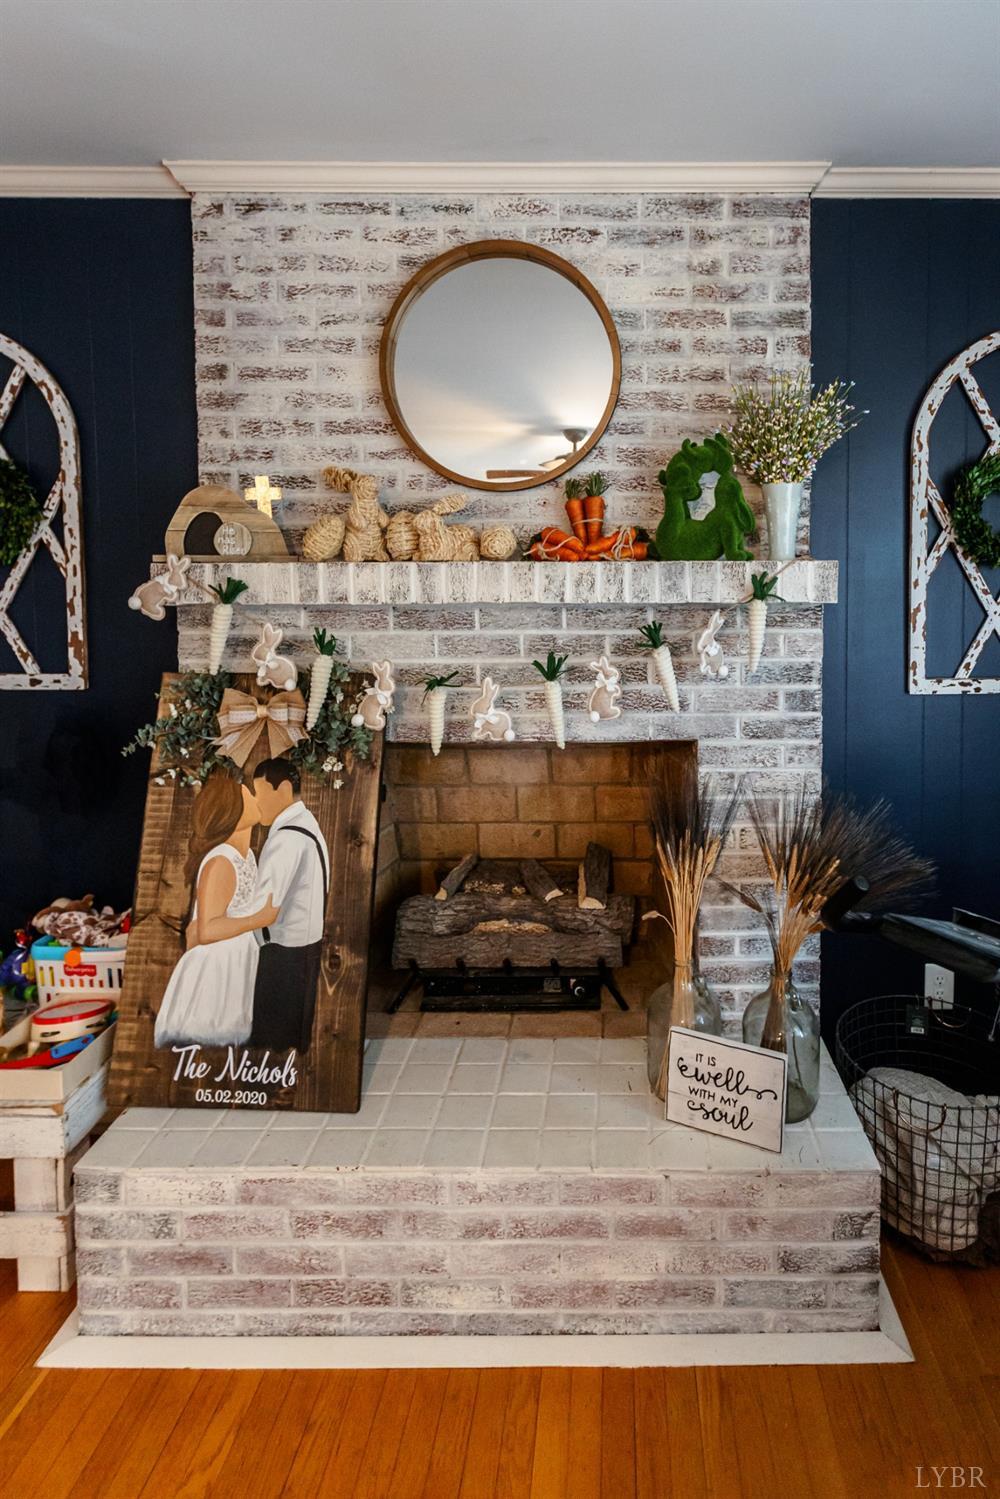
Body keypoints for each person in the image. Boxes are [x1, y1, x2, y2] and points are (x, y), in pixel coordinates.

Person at [154, 773, 278, 1048]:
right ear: (231, 810)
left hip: (237, 960)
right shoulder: (222, 860)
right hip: (217, 969)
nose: (255, 797)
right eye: (247, 794)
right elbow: (207, 929)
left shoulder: (245, 857)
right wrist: (261, 918)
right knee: (211, 1037)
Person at [248, 757, 330, 1053]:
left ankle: (272, 1089)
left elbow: (265, 910)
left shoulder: (286, 840)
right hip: (305, 947)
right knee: (295, 1034)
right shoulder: (307, 825)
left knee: (273, 1042)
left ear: (282, 789)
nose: (257, 803)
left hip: (282, 954)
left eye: (259, 794)